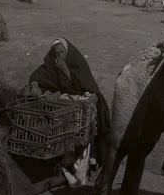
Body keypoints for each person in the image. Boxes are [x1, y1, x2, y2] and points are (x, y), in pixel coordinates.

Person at [28, 38, 111, 170]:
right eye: (56, 53)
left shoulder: (77, 66)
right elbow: (38, 75)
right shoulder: (51, 65)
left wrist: (65, 70)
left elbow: (81, 87)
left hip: (81, 108)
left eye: (62, 52)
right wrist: (34, 84)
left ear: (68, 52)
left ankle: (87, 160)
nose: (59, 56)